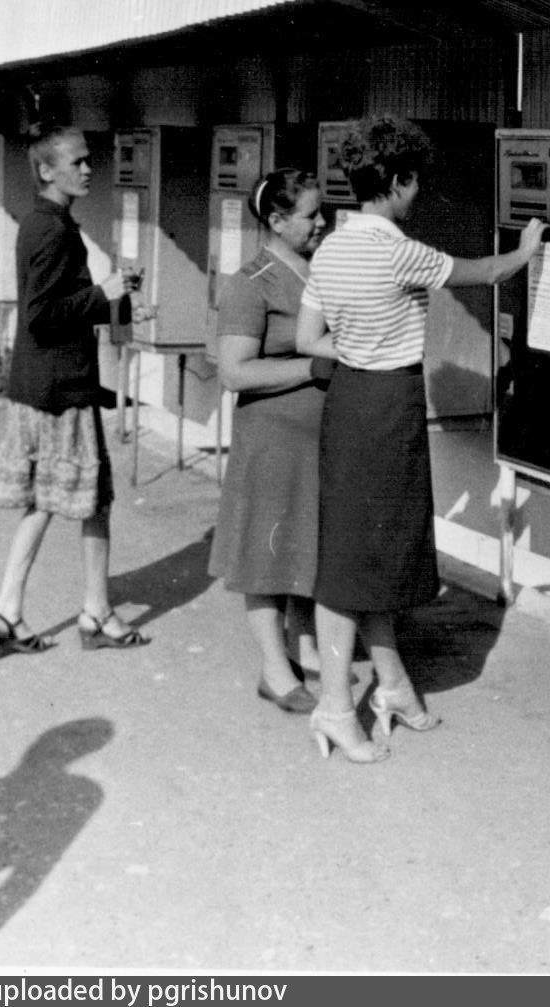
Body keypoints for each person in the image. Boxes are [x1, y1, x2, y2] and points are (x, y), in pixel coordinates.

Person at [295, 115, 546, 763]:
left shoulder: (330, 248)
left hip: (349, 399)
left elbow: (306, 342)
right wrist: (528, 246)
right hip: (388, 406)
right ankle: (333, 706)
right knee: (351, 565)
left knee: (368, 553)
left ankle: (395, 686)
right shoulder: (398, 250)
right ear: (399, 181)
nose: (417, 194)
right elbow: (487, 272)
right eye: (414, 182)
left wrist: (354, 344)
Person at [0, 124, 154, 658]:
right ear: (45, 170)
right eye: (76, 161)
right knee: (85, 496)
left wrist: (116, 302)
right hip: (62, 388)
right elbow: (39, 317)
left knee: (55, 499)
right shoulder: (52, 230)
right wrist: (101, 295)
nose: (87, 169)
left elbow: (57, 302)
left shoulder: (43, 223)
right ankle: (83, 612)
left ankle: (19, 610)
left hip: (42, 384)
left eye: (87, 160)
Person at [208, 168, 333, 715]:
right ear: (278, 221)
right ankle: (274, 669)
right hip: (272, 438)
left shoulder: (318, 269)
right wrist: (315, 366)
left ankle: (304, 648)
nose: (323, 222)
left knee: (308, 544)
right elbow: (235, 373)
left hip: (319, 439)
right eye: (311, 215)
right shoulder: (251, 282)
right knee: (266, 552)